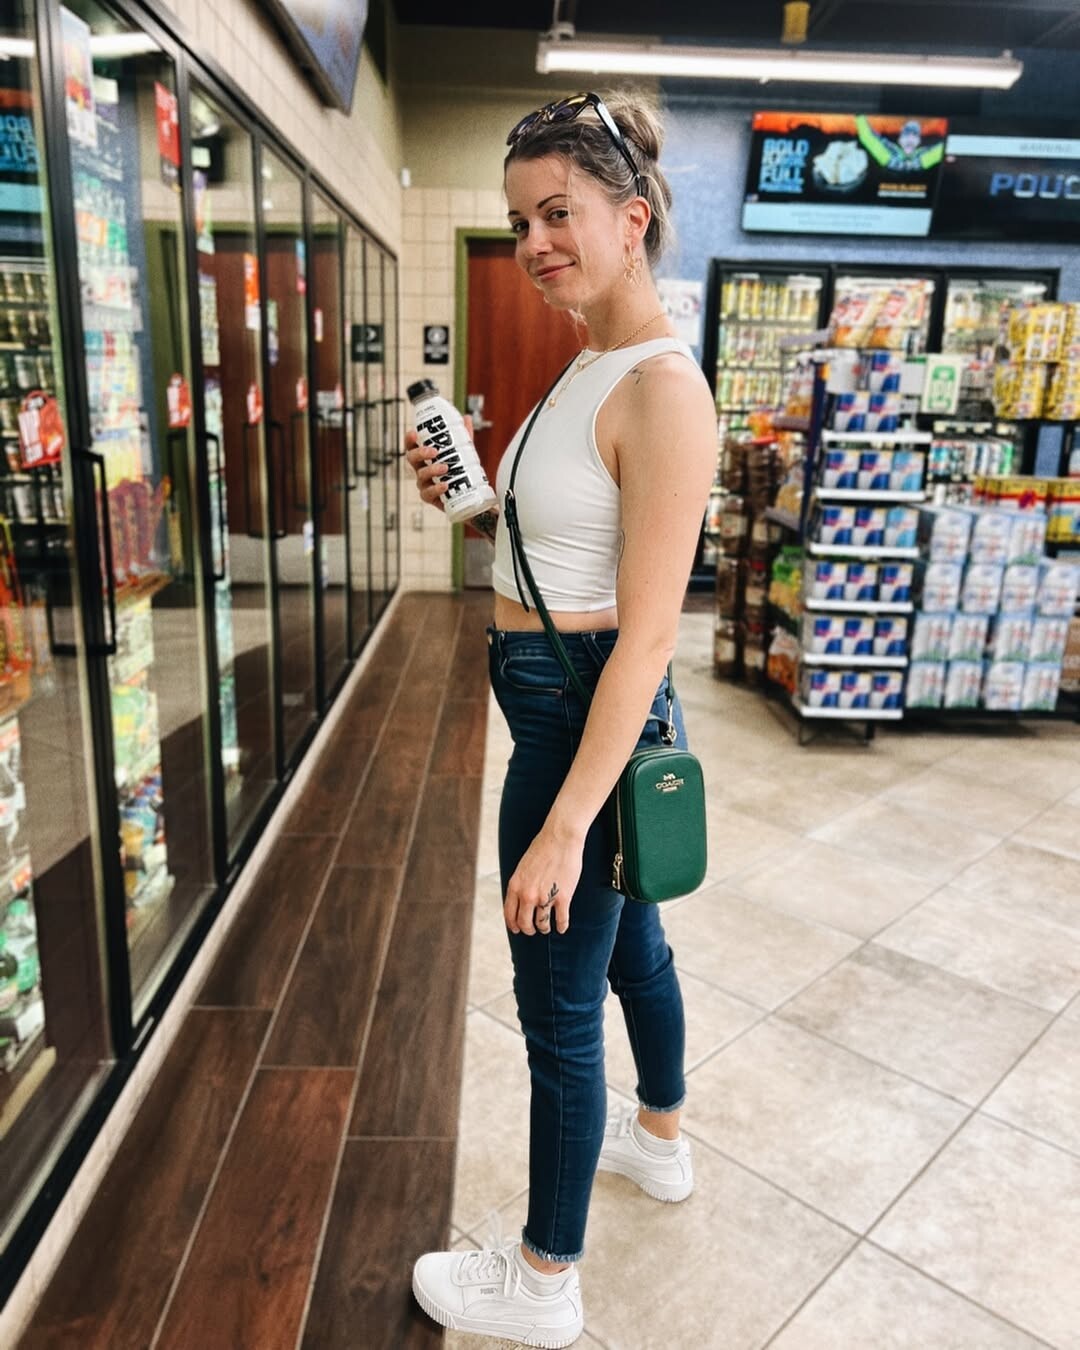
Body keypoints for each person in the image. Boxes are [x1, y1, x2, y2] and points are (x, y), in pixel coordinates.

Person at [406, 90, 715, 1347]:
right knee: (633, 953)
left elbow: (648, 634)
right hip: (568, 700)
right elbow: (567, 553)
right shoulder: (591, 364)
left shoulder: (663, 390)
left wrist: (567, 824)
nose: (534, 242)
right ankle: (661, 1142)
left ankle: (542, 1281)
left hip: (582, 722)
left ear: (630, 219)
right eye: (519, 221)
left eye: (557, 214)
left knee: (558, 1011)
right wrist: (476, 506)